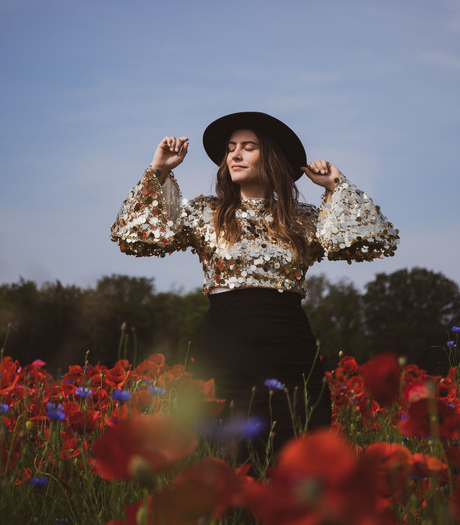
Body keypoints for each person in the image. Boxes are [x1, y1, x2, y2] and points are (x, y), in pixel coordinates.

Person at [110, 111, 399, 460]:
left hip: (291, 356)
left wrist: (336, 186)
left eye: (248, 147)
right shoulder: (206, 214)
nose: (234, 154)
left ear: (272, 157)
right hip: (224, 356)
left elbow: (374, 240)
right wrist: (160, 169)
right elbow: (134, 235)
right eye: (231, 148)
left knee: (297, 460)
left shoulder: (302, 220)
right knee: (225, 460)